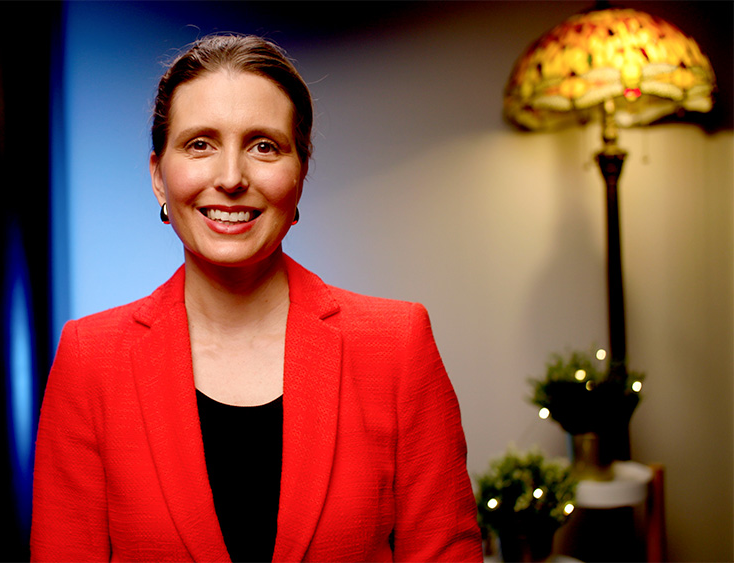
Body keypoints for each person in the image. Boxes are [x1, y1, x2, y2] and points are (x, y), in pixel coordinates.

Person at [31, 33, 482, 562]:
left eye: (263, 146)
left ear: (300, 174)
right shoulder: (90, 358)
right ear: (158, 176)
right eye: (200, 143)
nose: (230, 178)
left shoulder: (397, 345)